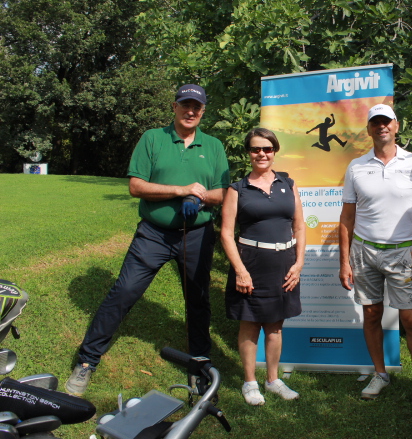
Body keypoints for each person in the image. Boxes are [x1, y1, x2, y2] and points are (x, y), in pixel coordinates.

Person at [65, 84, 230, 395]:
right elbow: (136, 186)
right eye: (185, 105)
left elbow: (223, 193)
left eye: (196, 107)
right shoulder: (153, 138)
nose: (190, 111)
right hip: (154, 234)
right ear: (174, 107)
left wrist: (200, 198)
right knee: (124, 291)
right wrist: (181, 190)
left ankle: (199, 365)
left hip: (196, 236)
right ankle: (87, 360)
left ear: (203, 111)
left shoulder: (214, 146)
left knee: (198, 299)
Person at [338, 104, 412, 420]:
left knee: (411, 320)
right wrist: (344, 261)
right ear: (369, 129)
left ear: (396, 126)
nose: (381, 127)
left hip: (401, 253)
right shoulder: (356, 167)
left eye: (386, 121)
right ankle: (380, 373)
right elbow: (347, 218)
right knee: (371, 314)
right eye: (375, 122)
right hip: (364, 252)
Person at [220, 128, 305, 406]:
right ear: (249, 152)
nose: (262, 154)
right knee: (250, 324)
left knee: (275, 326)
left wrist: (299, 263)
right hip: (251, 265)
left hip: (283, 264)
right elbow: (226, 233)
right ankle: (249, 382)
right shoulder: (237, 189)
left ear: (274, 151)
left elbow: (299, 226)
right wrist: (240, 270)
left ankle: (272, 380)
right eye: (256, 149)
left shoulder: (288, 184)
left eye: (267, 149)